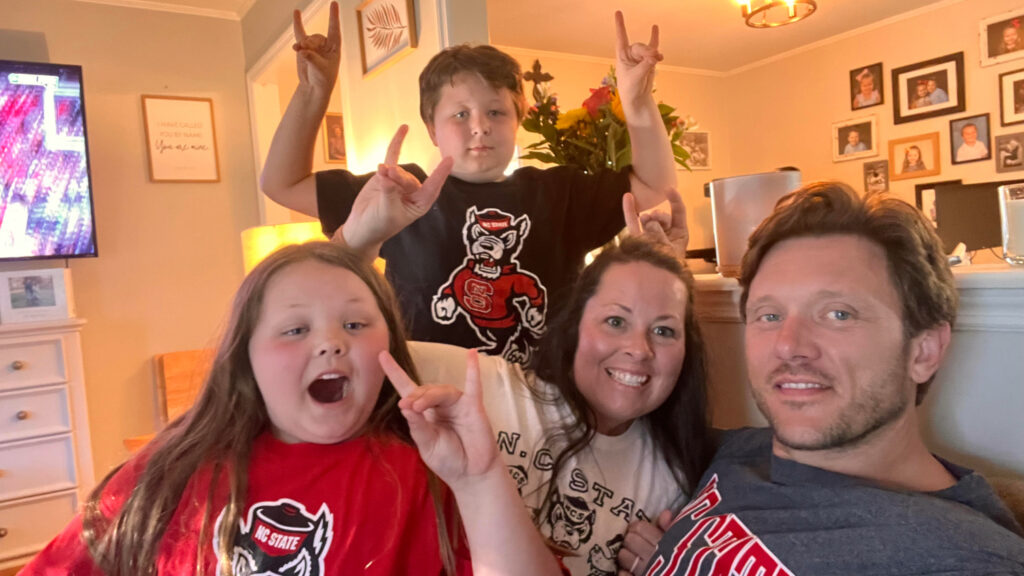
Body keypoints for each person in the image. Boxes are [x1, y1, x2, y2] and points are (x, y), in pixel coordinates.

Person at [24, 242, 560, 575]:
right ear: (247, 359)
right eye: (296, 329)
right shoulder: (170, 471)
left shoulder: (426, 477)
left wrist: (480, 480)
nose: (330, 343)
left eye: (354, 325)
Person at [633, 182, 1024, 575]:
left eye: (838, 314)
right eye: (770, 316)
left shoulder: (962, 558)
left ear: (924, 351)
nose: (789, 346)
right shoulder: (733, 452)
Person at [259, 2, 677, 366]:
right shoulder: (397, 190)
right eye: (460, 114)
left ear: (518, 120)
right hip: (431, 400)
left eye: (496, 112)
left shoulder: (559, 193)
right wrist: (313, 93)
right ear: (431, 128)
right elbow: (282, 183)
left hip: (540, 403)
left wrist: (637, 101)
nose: (480, 127)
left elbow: (653, 185)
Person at [389, 192, 714, 576]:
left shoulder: (675, 479)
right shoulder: (482, 385)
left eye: (663, 330)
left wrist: (671, 566)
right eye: (615, 321)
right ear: (575, 325)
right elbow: (344, 347)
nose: (638, 349)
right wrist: (360, 240)